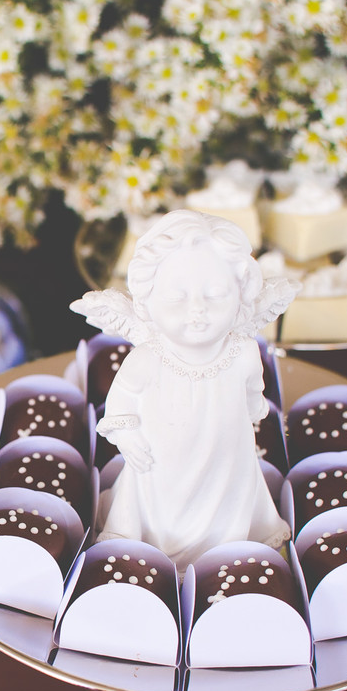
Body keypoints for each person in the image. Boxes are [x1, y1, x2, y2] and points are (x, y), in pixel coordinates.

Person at [72, 210, 297, 571]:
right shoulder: (148, 357)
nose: (197, 311)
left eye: (216, 295)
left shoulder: (243, 352)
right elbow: (120, 402)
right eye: (176, 297)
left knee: (228, 506)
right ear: (147, 301)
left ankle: (225, 555)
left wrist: (255, 407)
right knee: (163, 512)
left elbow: (253, 391)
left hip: (227, 463)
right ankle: (157, 558)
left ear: (241, 297)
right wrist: (127, 435)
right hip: (161, 467)